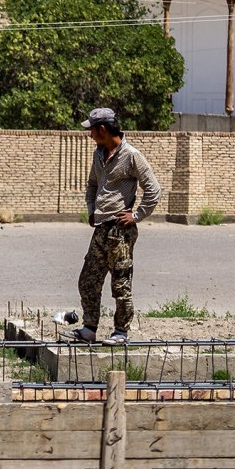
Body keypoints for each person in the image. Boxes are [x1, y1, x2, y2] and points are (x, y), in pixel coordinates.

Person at [66, 107, 161, 346]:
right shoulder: (99, 154)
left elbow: (153, 189)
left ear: (103, 129)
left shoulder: (131, 155)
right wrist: (91, 210)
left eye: (92, 131)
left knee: (120, 283)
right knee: (88, 279)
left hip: (121, 231)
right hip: (101, 228)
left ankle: (121, 332)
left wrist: (136, 215)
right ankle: (89, 328)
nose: (90, 136)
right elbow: (91, 185)